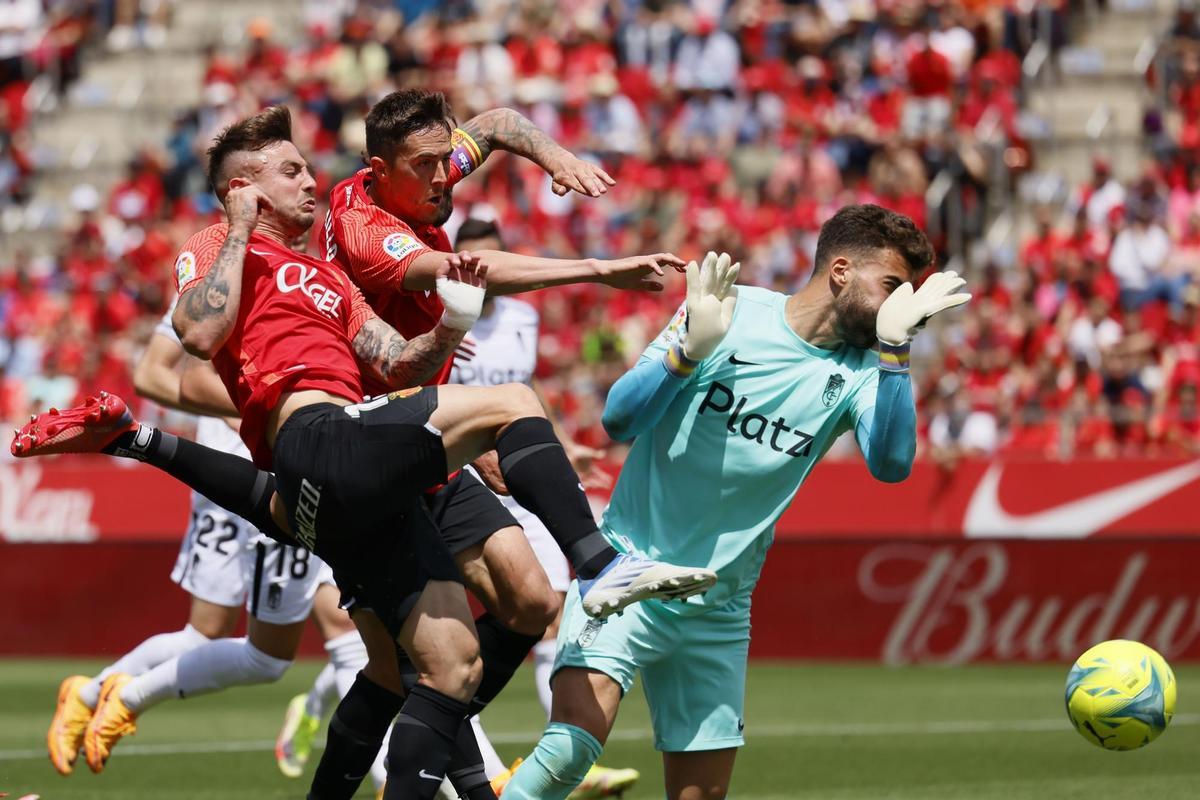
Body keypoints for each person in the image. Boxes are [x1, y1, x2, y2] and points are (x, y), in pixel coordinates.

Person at [12, 106, 716, 800]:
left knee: (445, 668)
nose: (309, 179)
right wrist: (237, 227)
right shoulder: (221, 245)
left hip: (344, 472)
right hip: (321, 440)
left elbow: (402, 363)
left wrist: (450, 329)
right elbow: (198, 334)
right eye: (289, 170)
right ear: (244, 188)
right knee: (513, 405)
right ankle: (601, 568)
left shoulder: (329, 279)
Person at [501, 205, 971, 800]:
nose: (904, 307)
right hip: (630, 572)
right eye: (892, 289)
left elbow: (892, 465)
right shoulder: (730, 310)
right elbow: (619, 419)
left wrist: (897, 350)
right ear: (841, 271)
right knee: (569, 751)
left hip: (719, 603)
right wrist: (687, 354)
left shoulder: (866, 368)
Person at [47, 300, 365, 780]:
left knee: (339, 630)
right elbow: (154, 377)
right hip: (226, 482)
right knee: (217, 635)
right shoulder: (210, 288)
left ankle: (382, 769)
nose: (304, 220)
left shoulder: (317, 277)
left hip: (295, 475)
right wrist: (261, 403)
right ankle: (98, 695)